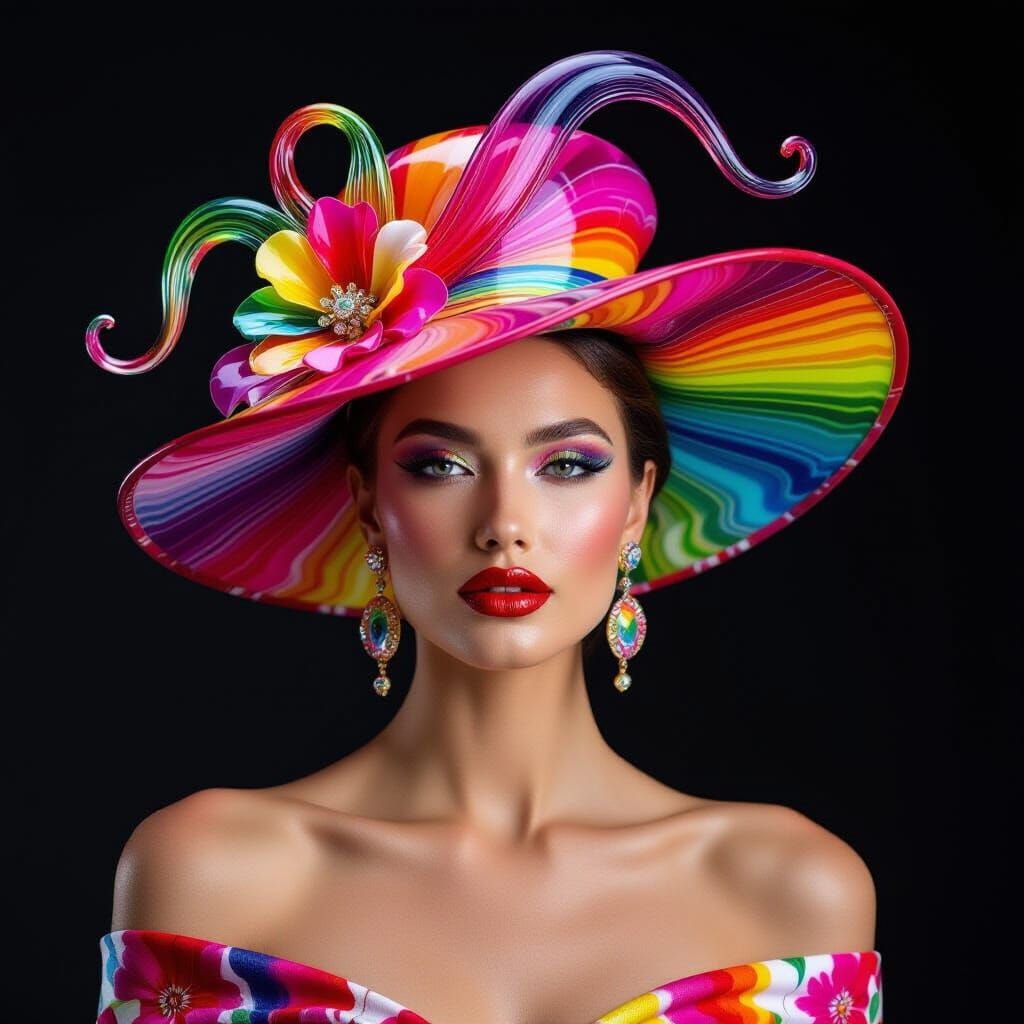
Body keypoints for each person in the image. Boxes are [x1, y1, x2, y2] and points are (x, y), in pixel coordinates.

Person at [89, 50, 901, 1024]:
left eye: (568, 465)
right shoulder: (212, 873)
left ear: (637, 502)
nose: (504, 525)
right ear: (367, 504)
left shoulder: (792, 891)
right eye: (440, 465)